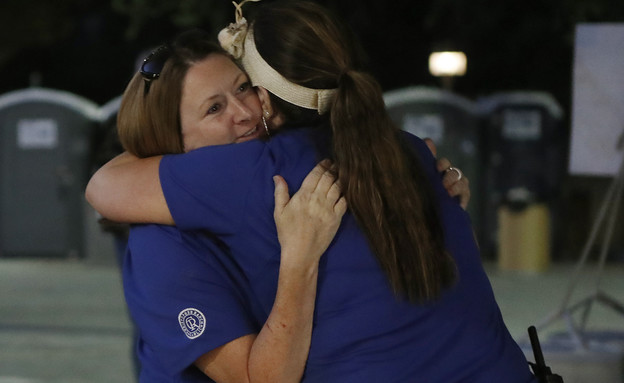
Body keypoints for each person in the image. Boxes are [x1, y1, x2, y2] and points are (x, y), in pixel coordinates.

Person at [86, 2, 531, 382]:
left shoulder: (268, 169)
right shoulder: (402, 150)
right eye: (214, 108)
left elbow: (106, 185)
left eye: (244, 88)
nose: (244, 112)